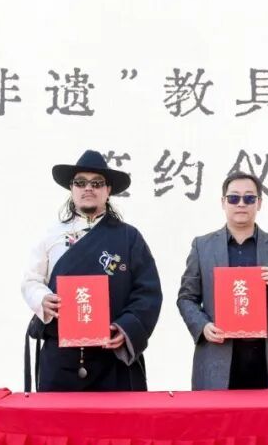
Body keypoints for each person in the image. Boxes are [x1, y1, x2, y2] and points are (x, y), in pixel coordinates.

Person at [21, 150, 162, 391]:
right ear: (71, 188)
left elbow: (148, 292)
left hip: (112, 356)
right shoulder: (51, 235)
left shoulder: (129, 237)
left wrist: (126, 328)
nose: (88, 188)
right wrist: (42, 299)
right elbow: (31, 280)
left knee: (118, 417)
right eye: (80, 182)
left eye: (97, 183)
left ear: (108, 190)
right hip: (60, 356)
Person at [177, 172, 268, 390]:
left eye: (249, 198)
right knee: (216, 413)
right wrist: (203, 326)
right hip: (217, 353)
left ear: (259, 203)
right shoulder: (202, 246)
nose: (241, 204)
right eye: (234, 198)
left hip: (267, 356)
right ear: (223, 202)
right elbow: (186, 298)